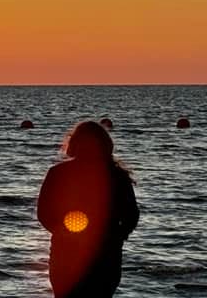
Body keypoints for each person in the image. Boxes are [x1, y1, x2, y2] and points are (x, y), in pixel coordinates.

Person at [37, 121, 139, 298]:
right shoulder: (117, 176)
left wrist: (63, 233)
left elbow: (44, 213)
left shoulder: (58, 172)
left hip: (73, 252)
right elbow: (131, 215)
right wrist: (117, 237)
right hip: (103, 253)